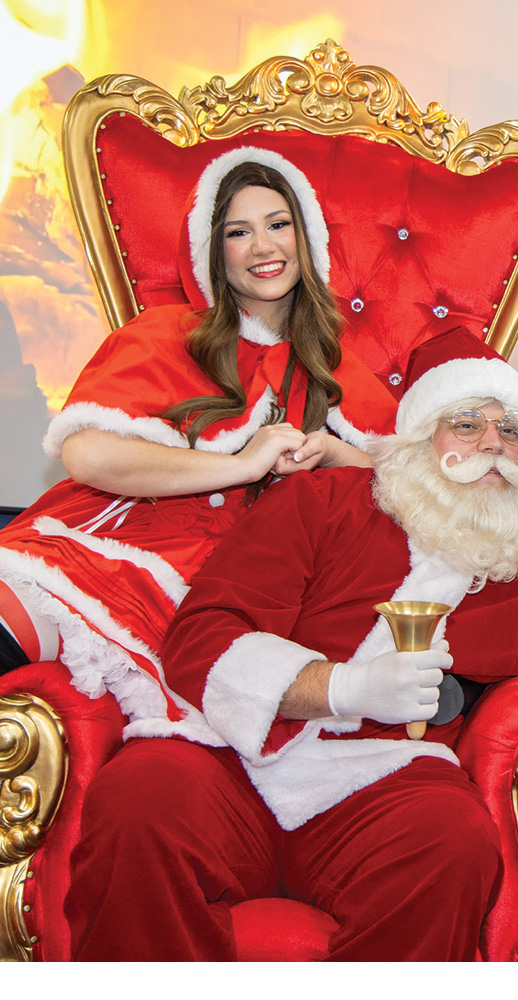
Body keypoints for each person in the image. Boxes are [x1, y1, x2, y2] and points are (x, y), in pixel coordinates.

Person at [63, 329, 518, 961]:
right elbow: (204, 635)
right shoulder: (320, 502)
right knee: (138, 802)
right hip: (233, 755)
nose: (494, 446)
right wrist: (343, 687)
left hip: (382, 782)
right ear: (420, 441)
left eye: (512, 432)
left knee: (452, 842)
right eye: (468, 422)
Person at [0, 148, 398, 734]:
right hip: (101, 551)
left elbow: (415, 491)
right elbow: (86, 454)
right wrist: (242, 463)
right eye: (240, 232)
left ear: (305, 237)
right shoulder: (167, 334)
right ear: (215, 252)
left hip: (217, 597)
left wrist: (342, 456)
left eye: (278, 225)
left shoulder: (339, 372)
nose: (264, 247)